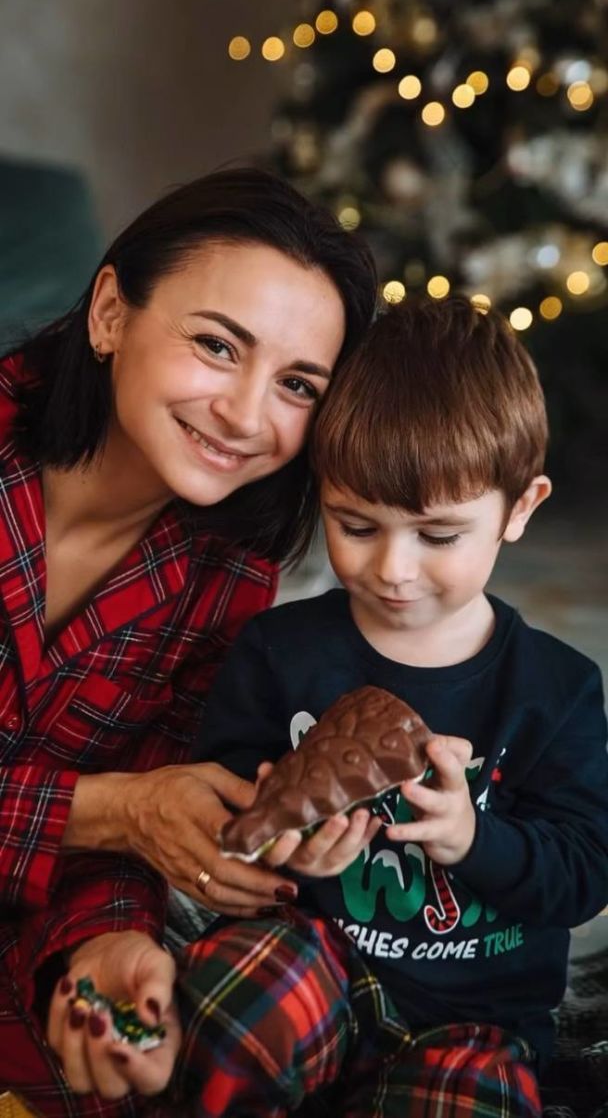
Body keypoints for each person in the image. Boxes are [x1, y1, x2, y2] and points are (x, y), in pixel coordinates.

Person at [165, 296, 608, 1117]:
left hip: (476, 1017)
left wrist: (473, 838)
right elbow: (229, 807)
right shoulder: (279, 651)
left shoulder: (558, 688)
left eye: (438, 536)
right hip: (320, 959)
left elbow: (582, 875)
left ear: (521, 507)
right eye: (355, 524)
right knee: (224, 1013)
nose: (394, 569)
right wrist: (288, 852)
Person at [0, 165, 377, 1116]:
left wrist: (107, 944)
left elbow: (141, 797)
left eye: (297, 384)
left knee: (222, 1024)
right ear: (110, 314)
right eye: (217, 345)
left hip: (19, 921)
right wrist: (120, 811)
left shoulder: (227, 574)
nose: (248, 417)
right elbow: (125, 806)